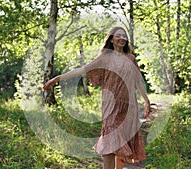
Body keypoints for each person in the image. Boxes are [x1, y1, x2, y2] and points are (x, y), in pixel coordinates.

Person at [43, 26, 150, 169]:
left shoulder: (130, 58)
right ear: (111, 39)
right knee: (110, 141)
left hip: (129, 106)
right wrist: (58, 78)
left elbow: (138, 81)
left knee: (123, 141)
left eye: (124, 36)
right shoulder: (105, 58)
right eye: (118, 36)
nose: (122, 39)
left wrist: (147, 101)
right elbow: (83, 69)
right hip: (110, 106)